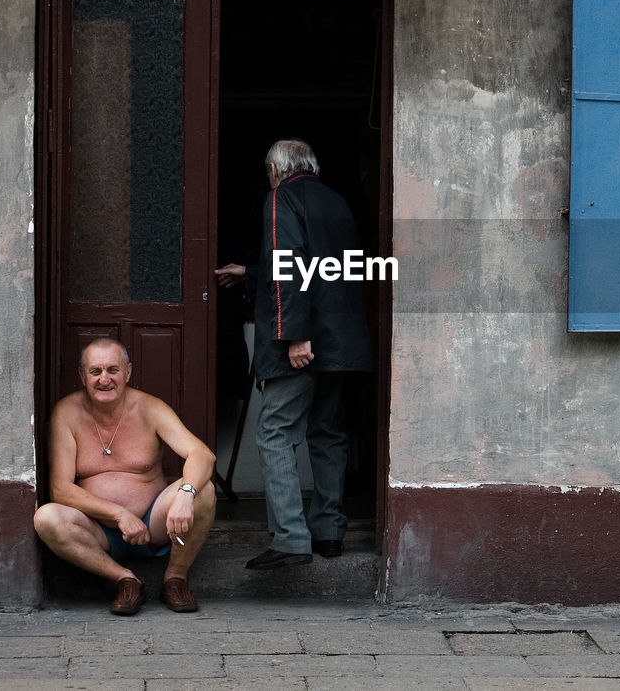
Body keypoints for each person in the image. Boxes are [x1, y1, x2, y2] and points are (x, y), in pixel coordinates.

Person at [216, 139, 372, 570]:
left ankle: (289, 539)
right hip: (340, 342)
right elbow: (324, 266)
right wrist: (249, 272)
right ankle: (328, 532)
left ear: (274, 169)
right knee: (328, 433)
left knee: (275, 433)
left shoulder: (279, 197)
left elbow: (288, 263)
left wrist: (294, 336)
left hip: (302, 343)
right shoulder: (337, 202)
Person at [33, 338, 217, 615]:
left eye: (112, 370)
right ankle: (125, 579)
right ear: (83, 376)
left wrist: (185, 495)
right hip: (99, 531)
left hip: (155, 524)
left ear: (127, 373)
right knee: (46, 518)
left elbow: (202, 454)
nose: (104, 379)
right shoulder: (67, 413)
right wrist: (119, 514)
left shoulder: (149, 408)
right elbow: (60, 489)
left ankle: (175, 579)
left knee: (204, 490)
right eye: (95, 371)